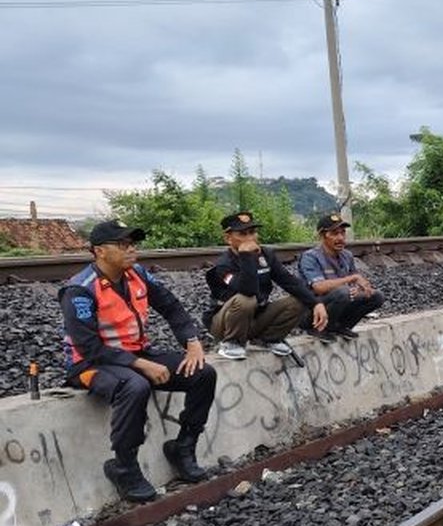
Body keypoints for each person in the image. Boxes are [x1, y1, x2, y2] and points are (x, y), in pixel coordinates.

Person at [58, 219, 217, 502]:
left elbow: (171, 306)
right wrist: (141, 365)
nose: (132, 250)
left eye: (133, 244)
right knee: (135, 386)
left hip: (137, 353)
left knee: (203, 373)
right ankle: (124, 466)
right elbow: (90, 347)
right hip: (91, 364)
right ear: (99, 251)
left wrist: (192, 343)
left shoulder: (138, 274)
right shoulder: (79, 290)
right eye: (123, 244)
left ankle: (183, 446)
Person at [203, 211, 327, 360]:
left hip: (256, 317)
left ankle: (268, 339)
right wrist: (246, 256)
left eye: (252, 232)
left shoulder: (266, 255)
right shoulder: (224, 264)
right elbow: (247, 290)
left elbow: (289, 281)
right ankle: (232, 343)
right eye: (243, 234)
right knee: (246, 300)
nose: (250, 238)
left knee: (299, 301)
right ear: (228, 238)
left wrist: (316, 304)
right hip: (225, 323)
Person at [297, 214, 384, 341]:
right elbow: (318, 288)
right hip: (312, 311)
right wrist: (349, 281)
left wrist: (360, 289)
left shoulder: (347, 256)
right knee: (343, 292)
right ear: (322, 235)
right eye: (334, 233)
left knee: (376, 296)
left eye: (343, 233)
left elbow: (353, 284)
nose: (341, 238)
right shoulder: (310, 257)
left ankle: (340, 327)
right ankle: (317, 329)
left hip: (338, 304)